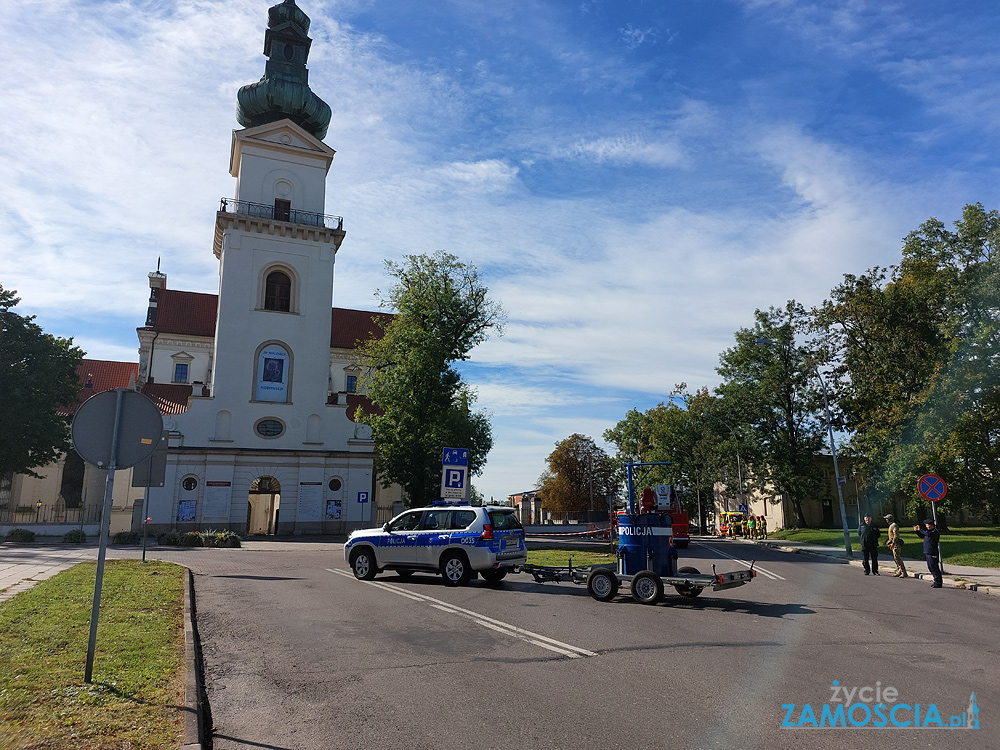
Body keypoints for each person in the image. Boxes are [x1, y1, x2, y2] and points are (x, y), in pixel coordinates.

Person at [914, 517, 943, 588]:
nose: (927, 526)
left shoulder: (934, 532)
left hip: (933, 552)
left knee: (934, 567)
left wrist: (920, 529)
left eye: (927, 525)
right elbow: (922, 535)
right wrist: (917, 531)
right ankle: (935, 580)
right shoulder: (928, 532)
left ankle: (938, 582)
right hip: (928, 552)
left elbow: (927, 534)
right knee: (930, 567)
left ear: (931, 525)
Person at [884, 514, 908, 578]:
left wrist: (893, 543)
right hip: (893, 544)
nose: (886, 520)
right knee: (895, 558)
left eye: (887, 519)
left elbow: (896, 535)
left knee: (897, 558)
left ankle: (903, 572)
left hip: (896, 545)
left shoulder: (894, 526)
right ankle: (899, 571)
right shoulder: (891, 526)